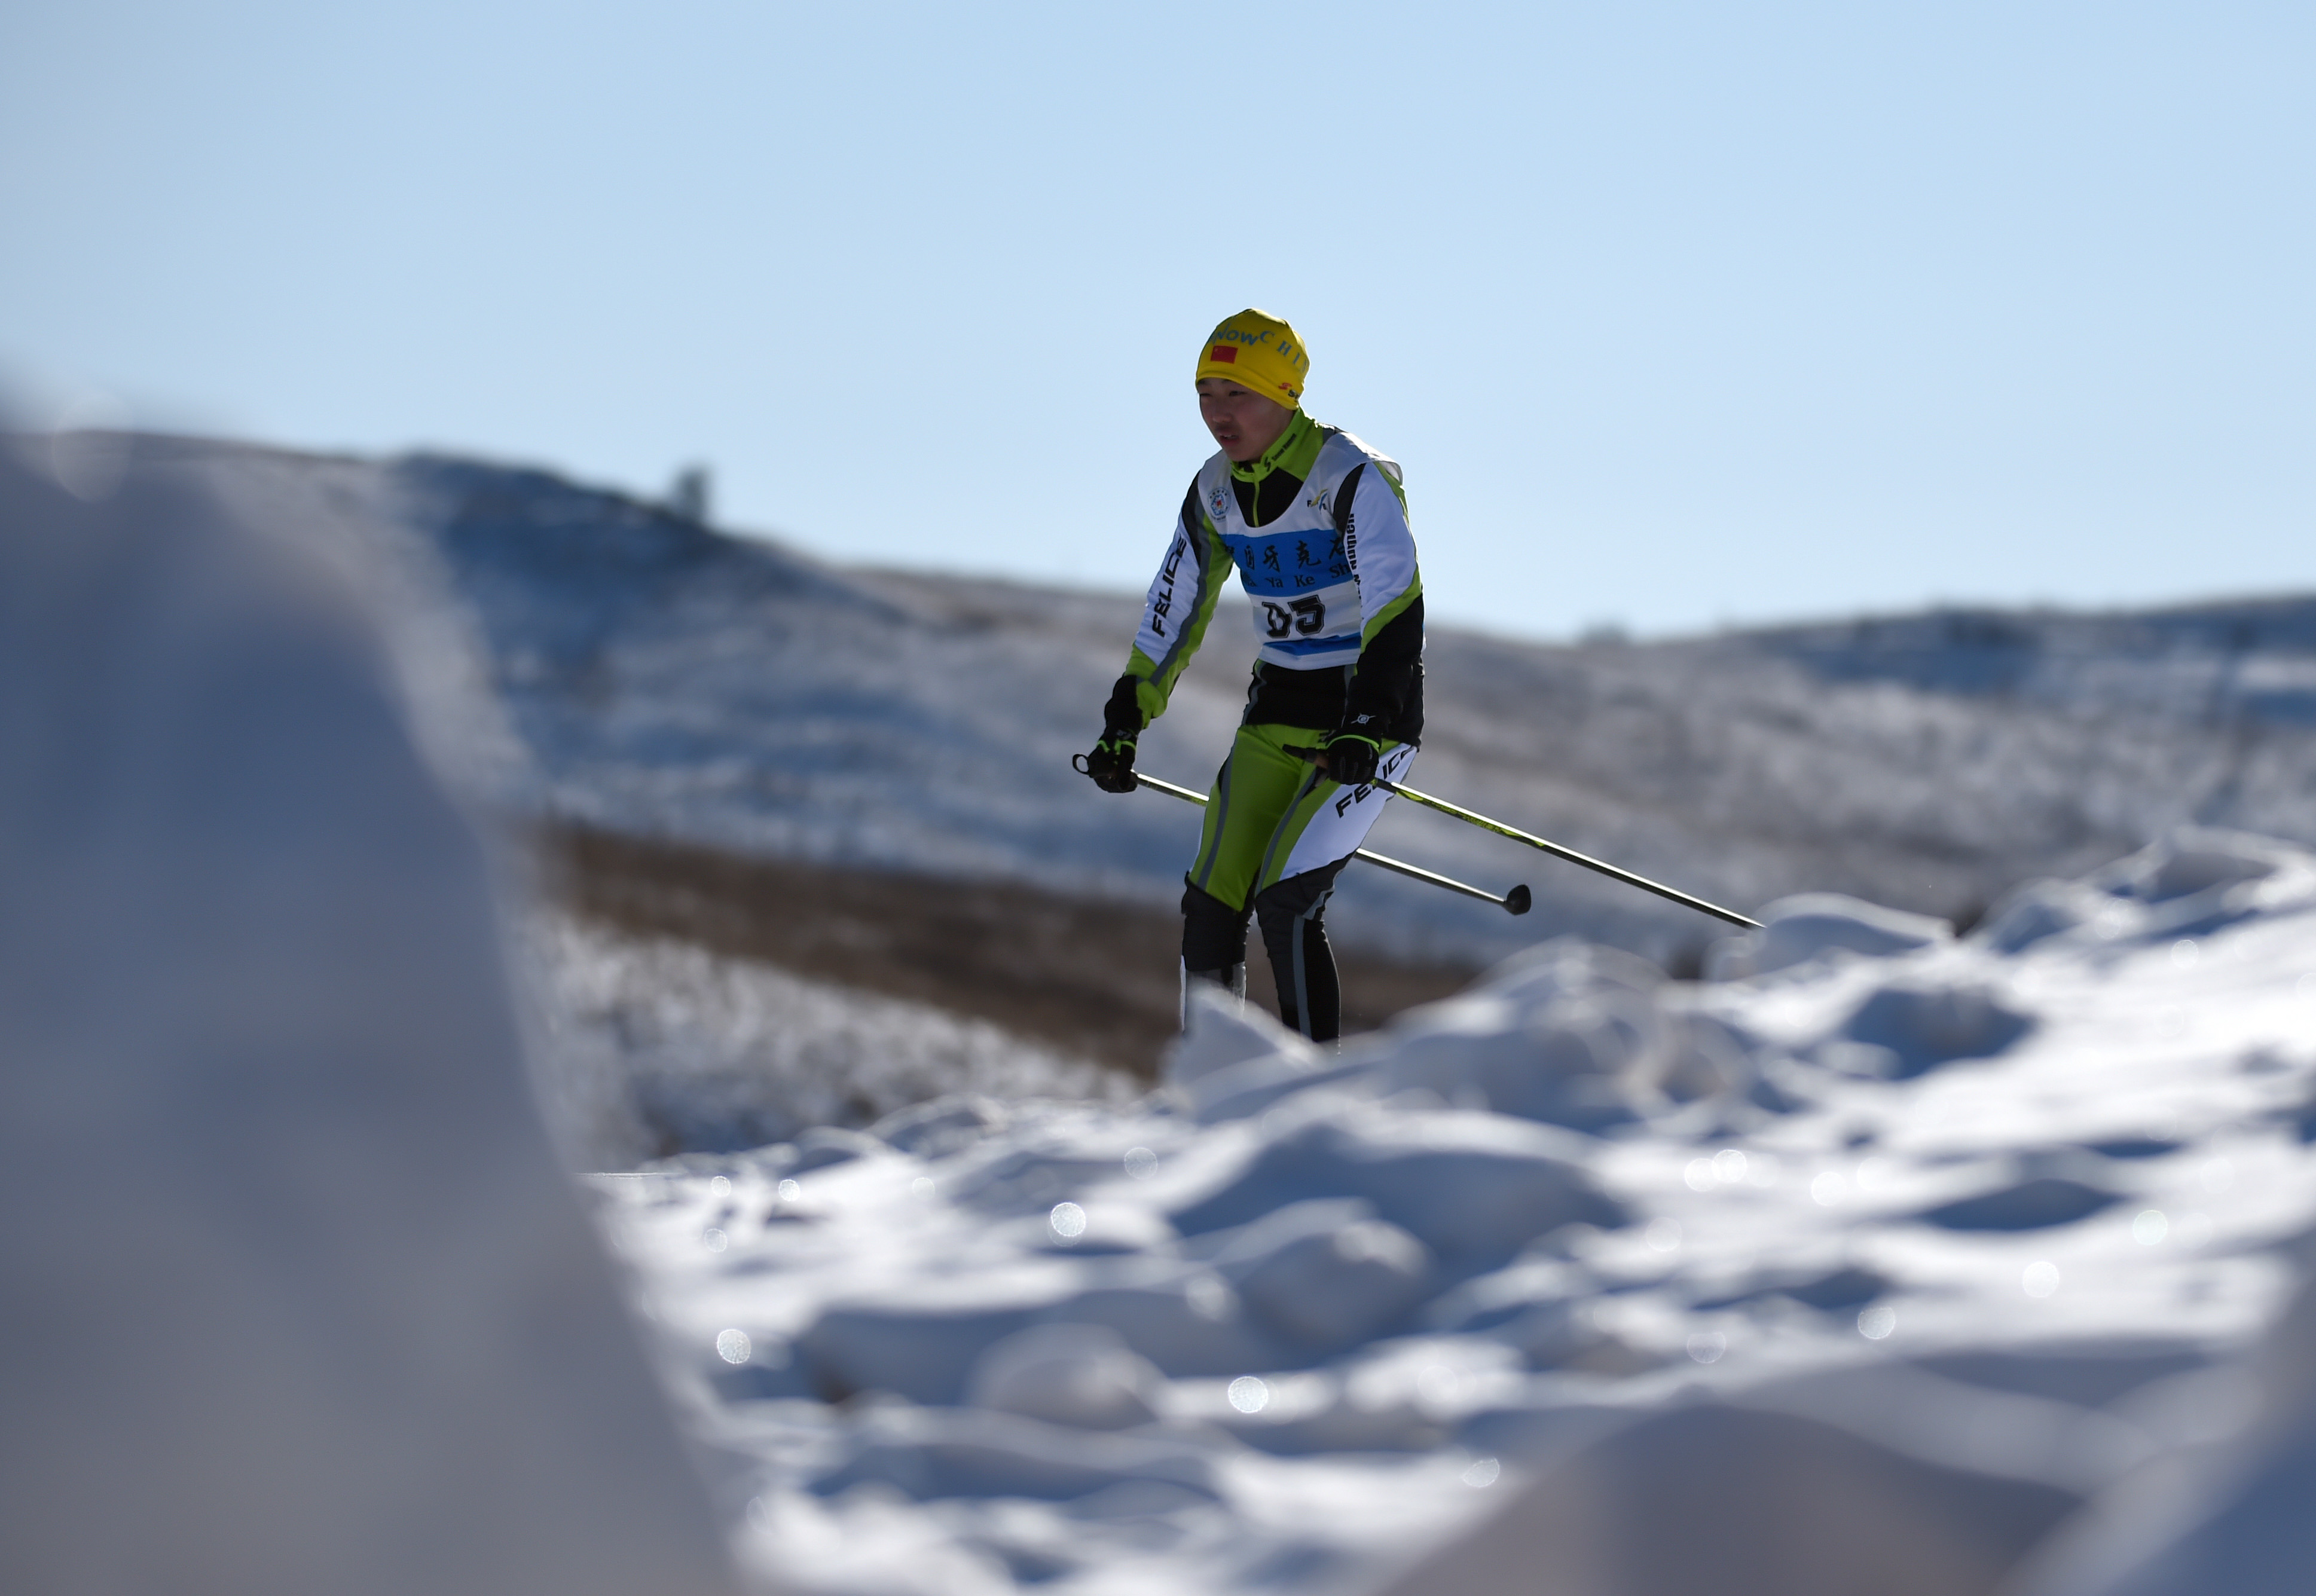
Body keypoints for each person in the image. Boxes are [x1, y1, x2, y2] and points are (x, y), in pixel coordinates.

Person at [1081, 308, 1423, 1042]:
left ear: (1285, 395)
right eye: (1205, 393)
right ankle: (1214, 1088)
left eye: (1237, 394)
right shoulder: (1212, 491)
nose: (1217, 413)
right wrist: (1124, 721)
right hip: (1276, 715)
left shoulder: (1349, 474)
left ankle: (1316, 1095)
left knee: (1285, 900)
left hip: (1367, 721)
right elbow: (1173, 610)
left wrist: (1368, 722)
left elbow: (1396, 605)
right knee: (1213, 900)